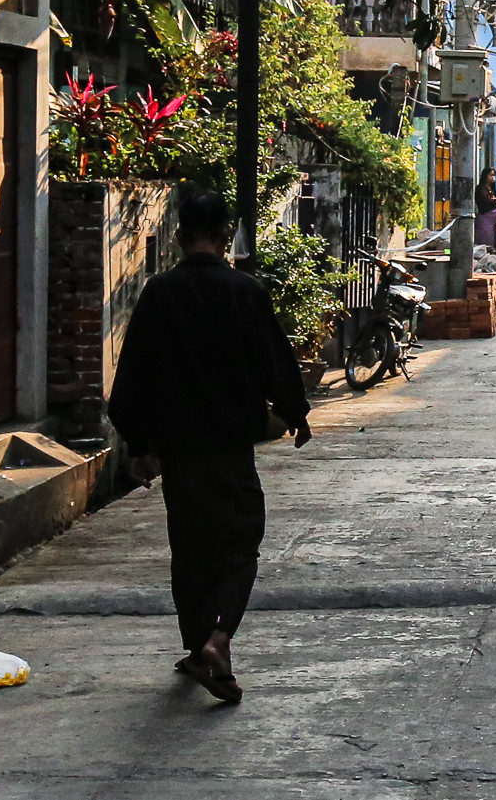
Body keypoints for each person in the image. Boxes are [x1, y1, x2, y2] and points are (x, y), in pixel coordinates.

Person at [107, 190, 313, 706]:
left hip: (179, 449)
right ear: (227, 235)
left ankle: (199, 647)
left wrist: (138, 443)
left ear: (178, 236)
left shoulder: (160, 292)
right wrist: (295, 412)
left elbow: (134, 372)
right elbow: (275, 359)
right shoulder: (245, 291)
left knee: (191, 551)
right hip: (230, 444)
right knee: (239, 545)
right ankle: (218, 640)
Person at [475, 167, 496, 249]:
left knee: (494, 239)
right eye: (490, 175)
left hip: (494, 218)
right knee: (485, 238)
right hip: (485, 217)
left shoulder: (492, 189)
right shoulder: (480, 189)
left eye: (494, 175)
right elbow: (485, 201)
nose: (492, 177)